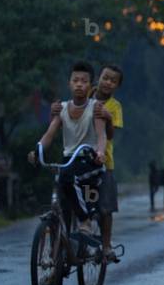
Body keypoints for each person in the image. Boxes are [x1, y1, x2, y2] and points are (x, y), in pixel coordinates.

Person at [30, 61, 107, 244]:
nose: (79, 84)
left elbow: (101, 134)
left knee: (67, 178)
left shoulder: (95, 108)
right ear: (69, 84)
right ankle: (59, 259)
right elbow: (49, 134)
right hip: (68, 160)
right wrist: (36, 150)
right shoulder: (62, 109)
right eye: (75, 80)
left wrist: (101, 152)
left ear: (91, 85)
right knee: (62, 197)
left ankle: (85, 220)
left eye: (84, 81)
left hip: (89, 159)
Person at [51, 64, 123, 263]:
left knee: (104, 206)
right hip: (76, 159)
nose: (108, 82)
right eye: (105, 77)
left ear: (117, 86)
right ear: (97, 79)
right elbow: (66, 112)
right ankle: (60, 256)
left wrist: (107, 118)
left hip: (103, 162)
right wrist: (55, 109)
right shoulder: (84, 94)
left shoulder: (114, 107)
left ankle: (106, 246)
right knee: (66, 201)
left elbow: (109, 135)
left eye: (113, 80)